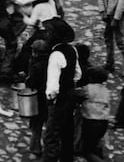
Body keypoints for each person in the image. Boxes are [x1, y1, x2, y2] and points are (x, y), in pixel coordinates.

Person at [43, 18, 81, 162]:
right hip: (70, 95)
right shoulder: (72, 50)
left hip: (58, 99)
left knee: (51, 135)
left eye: (48, 32)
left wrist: (50, 98)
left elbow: (52, 86)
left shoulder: (55, 55)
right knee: (67, 131)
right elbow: (78, 74)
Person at [75, 67, 111, 162]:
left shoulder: (87, 89)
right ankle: (99, 155)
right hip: (103, 122)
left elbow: (76, 95)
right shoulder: (106, 91)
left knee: (87, 151)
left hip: (91, 122)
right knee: (96, 142)